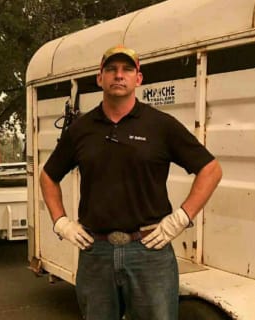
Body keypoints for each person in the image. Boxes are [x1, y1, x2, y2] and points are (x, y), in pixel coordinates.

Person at [39, 45, 222, 320]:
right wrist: (60, 222)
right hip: (96, 251)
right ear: (100, 78)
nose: (118, 75)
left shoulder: (161, 125)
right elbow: (48, 176)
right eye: (111, 69)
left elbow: (211, 169)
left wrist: (181, 218)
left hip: (150, 251)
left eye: (127, 69)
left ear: (139, 78)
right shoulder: (81, 130)